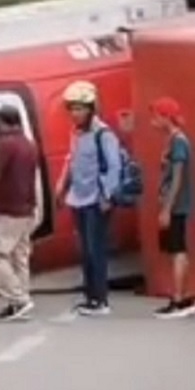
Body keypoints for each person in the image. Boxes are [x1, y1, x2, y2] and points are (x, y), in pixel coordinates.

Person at [55, 81, 122, 316]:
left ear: (91, 109)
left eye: (80, 108)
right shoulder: (76, 133)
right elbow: (71, 160)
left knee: (96, 249)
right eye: (72, 108)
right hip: (78, 198)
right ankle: (90, 296)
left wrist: (107, 196)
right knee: (84, 250)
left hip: (96, 199)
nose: (75, 113)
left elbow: (114, 167)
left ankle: (101, 299)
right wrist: (62, 186)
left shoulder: (103, 134)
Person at [0, 105, 39, 321]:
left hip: (7, 207)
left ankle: (18, 299)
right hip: (27, 206)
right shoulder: (30, 144)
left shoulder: (4, 145)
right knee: (19, 256)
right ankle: (21, 297)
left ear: (2, 123)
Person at [151, 97, 195, 319]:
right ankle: (182, 295)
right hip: (175, 204)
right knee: (176, 249)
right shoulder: (173, 140)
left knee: (178, 250)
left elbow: (177, 177)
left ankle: (179, 298)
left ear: (165, 117)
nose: (153, 121)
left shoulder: (178, 142)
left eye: (156, 116)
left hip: (176, 206)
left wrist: (167, 208)